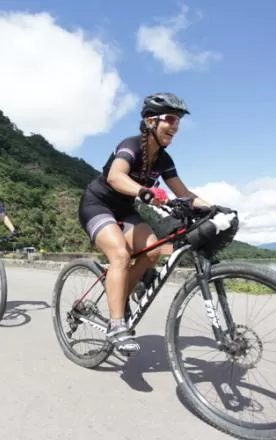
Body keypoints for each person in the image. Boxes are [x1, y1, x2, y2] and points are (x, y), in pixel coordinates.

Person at [77, 92, 214, 353]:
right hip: (97, 205)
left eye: (178, 122)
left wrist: (214, 209)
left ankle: (121, 296)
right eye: (171, 119)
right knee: (119, 255)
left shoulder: (164, 160)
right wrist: (144, 191)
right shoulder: (131, 145)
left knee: (153, 250)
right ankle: (116, 325)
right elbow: (116, 177)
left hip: (125, 209)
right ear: (151, 121)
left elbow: (184, 194)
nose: (175, 126)